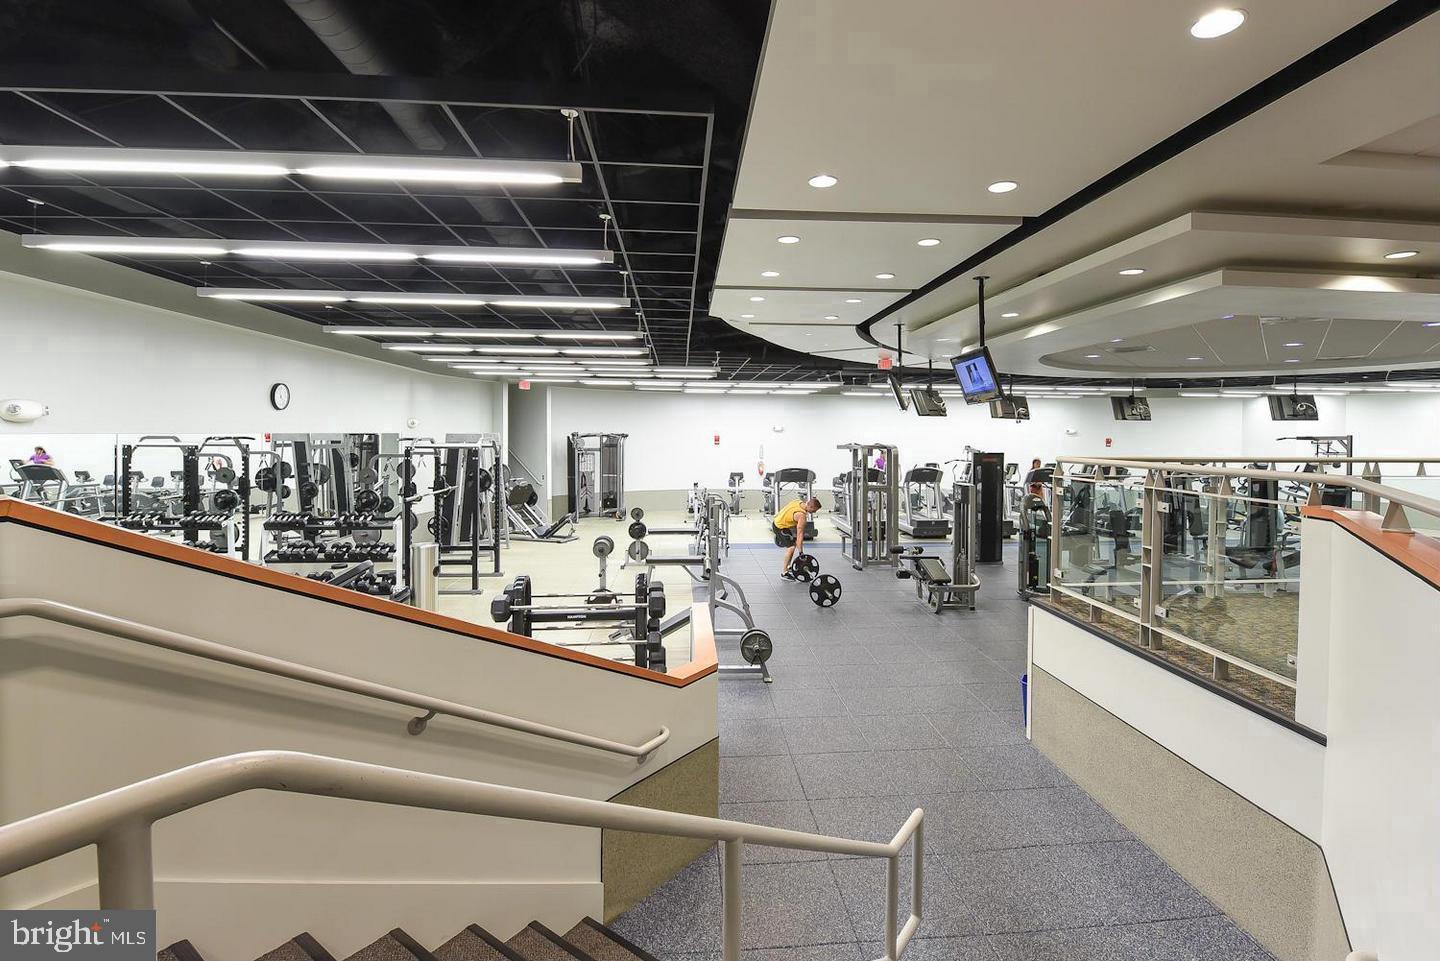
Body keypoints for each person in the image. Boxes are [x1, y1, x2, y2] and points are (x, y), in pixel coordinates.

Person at [774, 495, 822, 580]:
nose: (814, 512)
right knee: (791, 547)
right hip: (780, 527)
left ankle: (788, 566)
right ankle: (784, 573)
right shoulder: (801, 516)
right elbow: (800, 535)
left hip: (779, 522)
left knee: (792, 545)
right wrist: (801, 552)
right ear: (810, 506)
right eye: (814, 510)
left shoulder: (798, 501)